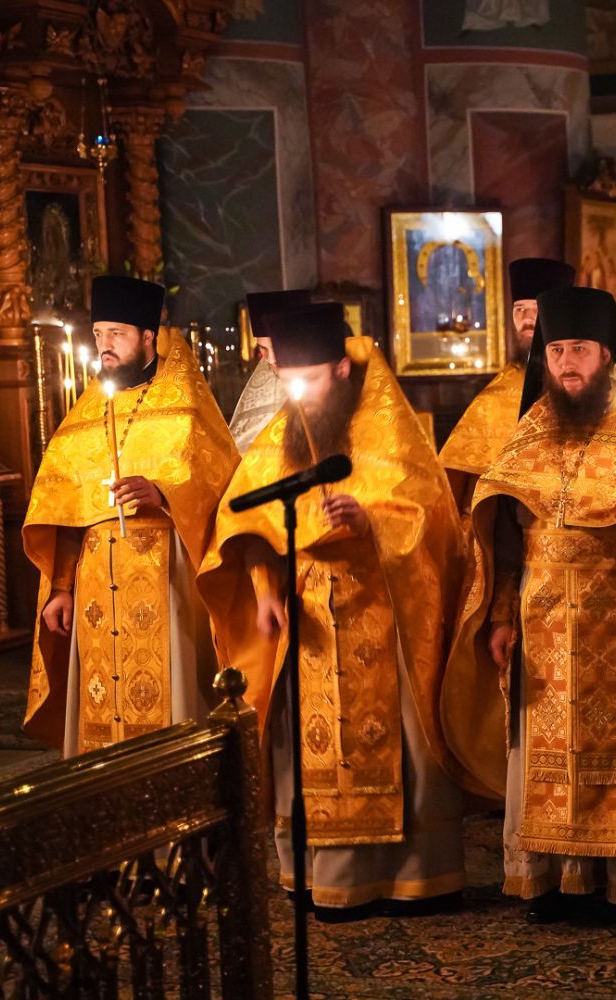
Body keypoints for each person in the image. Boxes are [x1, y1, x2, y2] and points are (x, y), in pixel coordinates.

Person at [439, 286, 616, 927]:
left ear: (607, 354)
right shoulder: (532, 426)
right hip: (538, 612)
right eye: (557, 351)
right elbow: (504, 536)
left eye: (580, 349)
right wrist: (499, 616)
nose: (567, 362)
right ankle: (548, 880)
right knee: (539, 749)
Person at [197, 303, 467, 920]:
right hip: (310, 617)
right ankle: (325, 874)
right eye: (292, 382)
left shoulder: (389, 429)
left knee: (400, 745)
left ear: (342, 370)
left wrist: (370, 521)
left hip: (384, 613)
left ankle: (413, 877)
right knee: (310, 747)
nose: (301, 394)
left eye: (312, 380)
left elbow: (432, 521)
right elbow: (248, 526)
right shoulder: (281, 436)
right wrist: (266, 593)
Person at [23, 275, 238, 755]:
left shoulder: (186, 409)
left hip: (167, 580)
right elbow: (64, 510)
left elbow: (221, 485)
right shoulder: (82, 417)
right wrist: (61, 588)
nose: (105, 346)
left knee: (169, 702)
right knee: (101, 707)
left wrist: (163, 493)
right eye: (98, 334)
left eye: (116, 334)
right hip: (95, 587)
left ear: (147, 337)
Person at [441, 257, 576, 512]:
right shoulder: (494, 399)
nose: (526, 318)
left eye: (536, 308)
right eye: (519, 309)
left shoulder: (586, 387)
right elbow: (458, 487)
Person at [228, 288, 311, 452]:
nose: (271, 359)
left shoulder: (322, 381)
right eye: (263, 349)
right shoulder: (263, 383)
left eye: (277, 347)